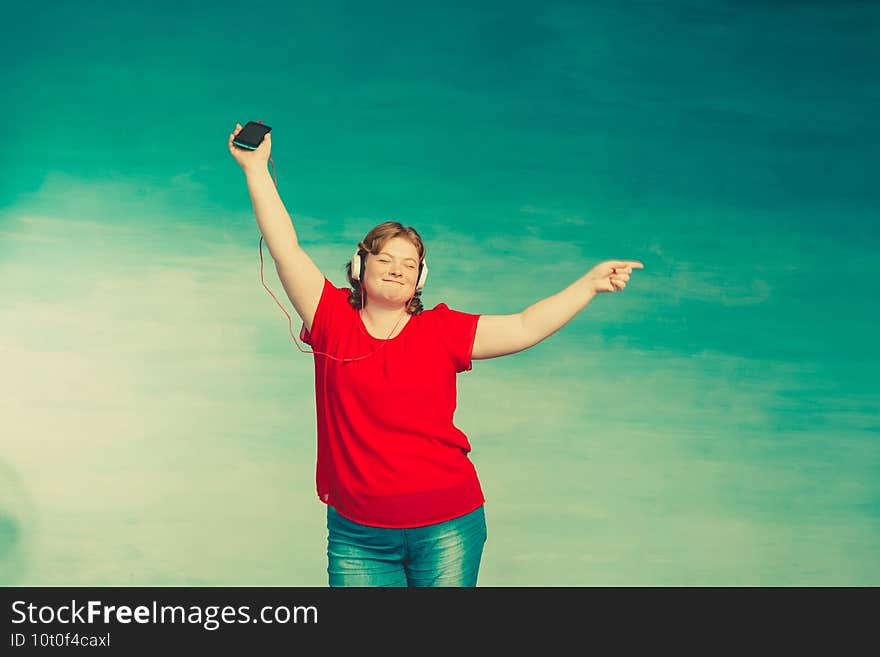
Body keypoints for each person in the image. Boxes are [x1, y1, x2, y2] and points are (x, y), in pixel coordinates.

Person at [229, 123, 644, 587]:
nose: (397, 270)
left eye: (409, 265)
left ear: (420, 279)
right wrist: (256, 169)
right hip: (357, 536)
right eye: (384, 259)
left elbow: (525, 326)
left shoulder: (441, 330)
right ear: (359, 267)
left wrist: (588, 284)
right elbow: (285, 249)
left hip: (448, 525)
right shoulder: (330, 319)